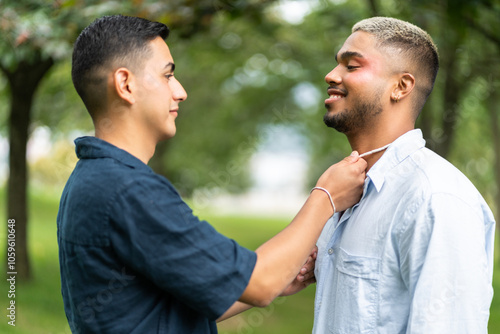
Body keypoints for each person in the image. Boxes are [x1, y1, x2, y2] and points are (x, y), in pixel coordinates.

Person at [57, 15, 367, 333]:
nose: (180, 92)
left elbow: (153, 310)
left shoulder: (89, 178)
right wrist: (325, 196)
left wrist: (278, 277)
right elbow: (259, 283)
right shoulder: (129, 190)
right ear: (126, 84)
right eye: (167, 76)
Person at [312, 16, 495, 333]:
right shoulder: (347, 190)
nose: (331, 75)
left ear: (401, 86)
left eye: (351, 66)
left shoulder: (435, 199)